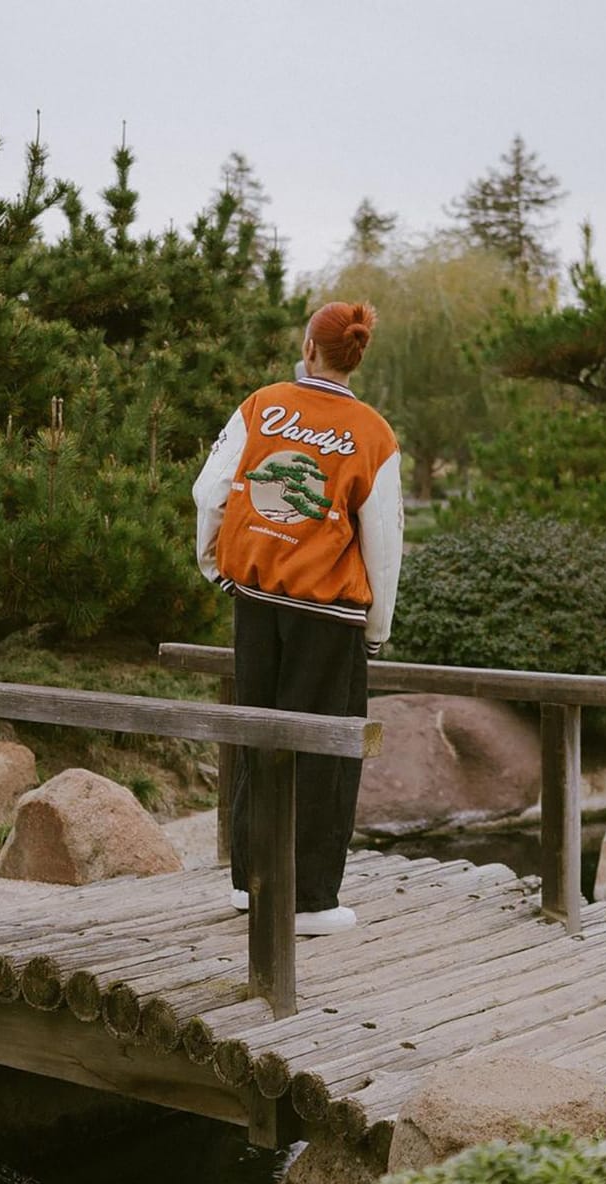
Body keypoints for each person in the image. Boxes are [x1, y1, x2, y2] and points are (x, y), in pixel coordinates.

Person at [192, 301, 403, 935]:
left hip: (255, 601)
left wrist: (215, 564)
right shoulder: (373, 433)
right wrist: (377, 626)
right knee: (323, 750)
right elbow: (383, 541)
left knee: (260, 734)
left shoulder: (261, 406)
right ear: (354, 356)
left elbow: (211, 491)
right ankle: (309, 899)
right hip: (328, 612)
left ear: (310, 347)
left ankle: (250, 884)